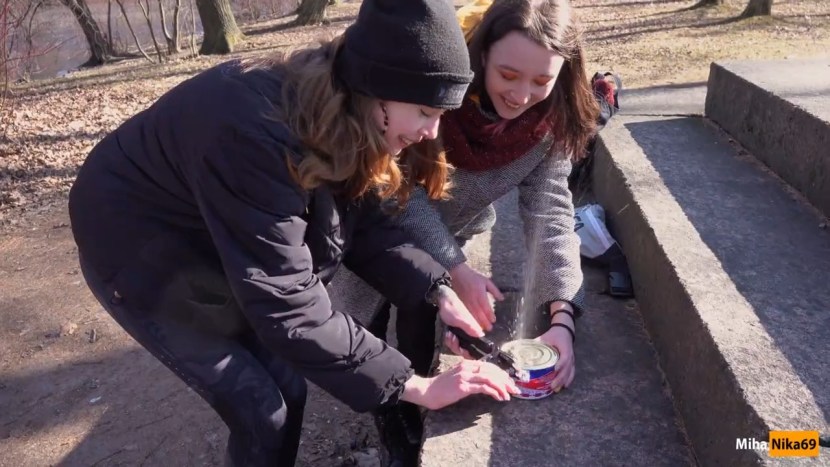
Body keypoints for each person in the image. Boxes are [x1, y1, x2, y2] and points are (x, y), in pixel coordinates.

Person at [67, 0, 520, 465]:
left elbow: (361, 226)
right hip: (134, 242)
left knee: (286, 387)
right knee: (262, 408)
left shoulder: (348, 109)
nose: (431, 132)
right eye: (426, 111)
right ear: (379, 88)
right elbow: (285, 301)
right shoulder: (255, 133)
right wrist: (417, 386)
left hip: (215, 229)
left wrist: (434, 289)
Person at [389, 0, 600, 395]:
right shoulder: (434, 89)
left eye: (541, 81)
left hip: (458, 227)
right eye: (508, 75)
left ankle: (407, 415)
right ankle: (390, 405)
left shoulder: (550, 124)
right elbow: (395, 188)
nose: (521, 96)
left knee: (420, 317)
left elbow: (551, 217)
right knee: (369, 311)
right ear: (482, 55)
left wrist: (562, 317)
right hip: (379, 225)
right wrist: (456, 269)